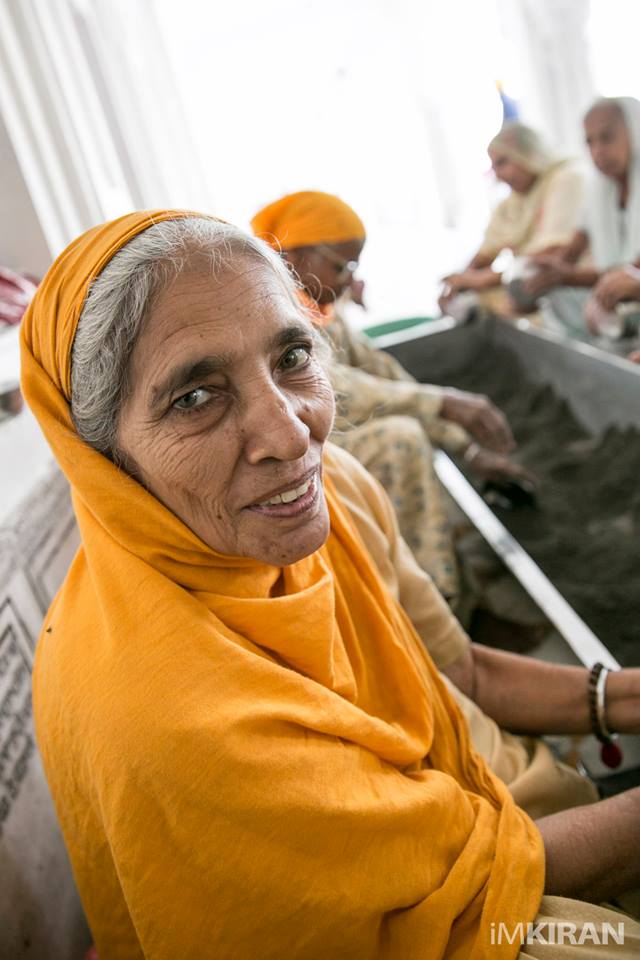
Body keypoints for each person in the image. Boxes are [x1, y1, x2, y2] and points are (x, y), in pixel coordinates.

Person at [22, 211, 640, 959]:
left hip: (509, 813)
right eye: (195, 397)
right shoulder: (169, 722)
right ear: (103, 459)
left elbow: (463, 671)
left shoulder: (334, 494)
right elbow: (472, 898)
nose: (291, 435)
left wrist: (622, 700)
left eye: (291, 356)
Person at [251, 190, 531, 602]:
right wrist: (444, 402)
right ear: (294, 254)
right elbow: (337, 385)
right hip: (289, 466)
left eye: (354, 266)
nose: (349, 279)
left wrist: (466, 447)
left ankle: (451, 590)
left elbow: (384, 375)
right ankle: (439, 605)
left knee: (405, 413)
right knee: (400, 439)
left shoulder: (323, 310)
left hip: (325, 447)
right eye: (341, 265)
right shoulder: (273, 317)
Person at [439, 122, 584, 320]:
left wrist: (481, 280)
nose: (497, 175)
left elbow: (550, 257)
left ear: (528, 154)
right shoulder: (511, 204)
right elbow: (484, 255)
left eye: (502, 162)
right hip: (523, 287)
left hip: (566, 292)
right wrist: (458, 284)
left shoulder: (564, 179)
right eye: (493, 165)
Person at [523, 97, 640, 338]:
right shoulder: (599, 191)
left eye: (607, 137)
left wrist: (567, 276)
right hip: (618, 293)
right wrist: (545, 269)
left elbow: (632, 273)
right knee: (554, 298)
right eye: (590, 142)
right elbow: (570, 252)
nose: (598, 152)